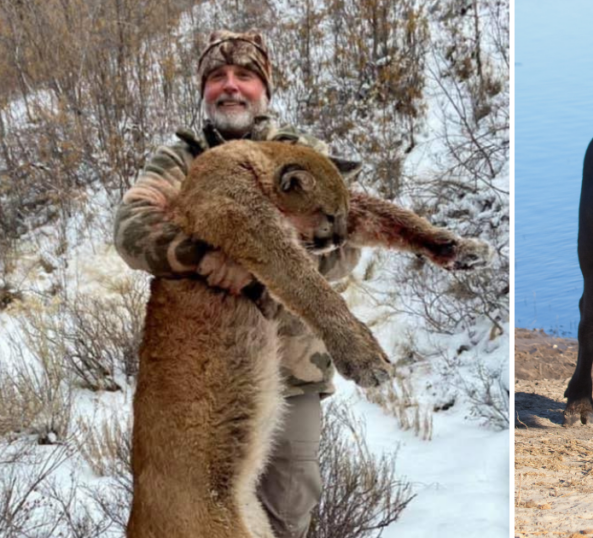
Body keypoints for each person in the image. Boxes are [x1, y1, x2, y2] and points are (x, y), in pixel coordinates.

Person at [114, 29, 457, 538]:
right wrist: (207, 256)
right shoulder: (179, 159)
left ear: (265, 90)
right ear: (204, 90)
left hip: (294, 369)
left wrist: (255, 265)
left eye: (244, 75)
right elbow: (132, 230)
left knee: (289, 507)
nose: (231, 86)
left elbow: (342, 247)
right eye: (217, 76)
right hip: (200, 371)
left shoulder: (302, 156)